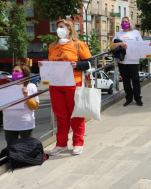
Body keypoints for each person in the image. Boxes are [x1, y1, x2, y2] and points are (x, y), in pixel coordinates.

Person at [39, 19, 92, 156]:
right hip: (56, 85)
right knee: (61, 116)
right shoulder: (52, 46)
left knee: (76, 115)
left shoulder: (79, 45)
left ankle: (78, 143)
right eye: (57, 27)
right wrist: (43, 66)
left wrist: (77, 65)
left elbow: (89, 63)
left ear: (69, 29)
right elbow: (52, 64)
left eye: (62, 27)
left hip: (73, 83)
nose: (59, 30)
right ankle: (61, 144)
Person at [111, 16, 151, 107]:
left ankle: (138, 98)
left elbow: (141, 44)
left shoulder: (135, 32)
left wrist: (147, 45)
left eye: (126, 21)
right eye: (123, 21)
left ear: (130, 23)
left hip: (134, 61)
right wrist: (120, 44)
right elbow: (112, 46)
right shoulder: (118, 34)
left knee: (135, 80)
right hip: (122, 61)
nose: (124, 23)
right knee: (126, 81)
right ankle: (129, 98)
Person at [3, 64, 39, 145]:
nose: (14, 73)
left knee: (26, 148)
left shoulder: (31, 86)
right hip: (9, 124)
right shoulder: (7, 87)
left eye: (17, 71)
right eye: (12, 71)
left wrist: (27, 96)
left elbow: (35, 106)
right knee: (11, 148)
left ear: (24, 73)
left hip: (25, 124)